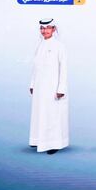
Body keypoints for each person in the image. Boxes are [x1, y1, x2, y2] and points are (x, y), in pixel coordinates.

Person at [29, 18, 69, 154]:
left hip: (53, 88)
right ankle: (38, 140)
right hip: (40, 88)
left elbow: (63, 68)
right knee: (40, 114)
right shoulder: (39, 45)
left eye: (47, 28)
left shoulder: (59, 46)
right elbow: (35, 67)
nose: (44, 31)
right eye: (42, 28)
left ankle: (54, 144)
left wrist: (61, 88)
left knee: (52, 115)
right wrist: (32, 84)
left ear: (54, 29)